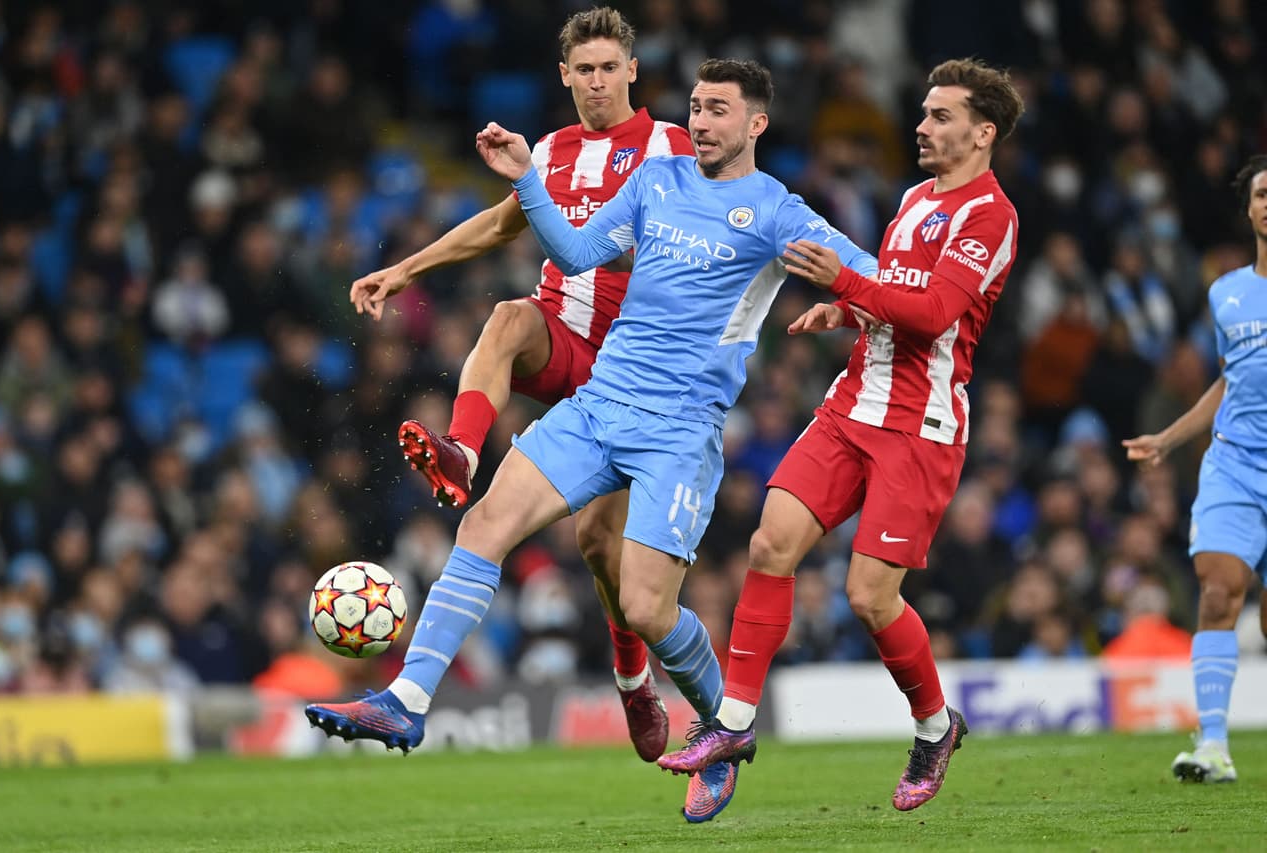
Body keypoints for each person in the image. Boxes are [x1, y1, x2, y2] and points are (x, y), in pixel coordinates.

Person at [306, 58, 877, 823]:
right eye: (698, 107)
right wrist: (525, 176)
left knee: (645, 605)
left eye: (718, 111)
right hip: (600, 403)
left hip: (680, 430)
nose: (702, 122)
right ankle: (406, 700)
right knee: (484, 523)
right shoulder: (656, 182)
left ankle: (721, 729)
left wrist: (851, 303)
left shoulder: (778, 211)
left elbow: (869, 271)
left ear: (756, 125)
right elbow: (575, 254)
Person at [656, 58, 1025, 813]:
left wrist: (843, 283)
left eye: (941, 116)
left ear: (983, 133)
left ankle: (933, 726)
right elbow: (897, 291)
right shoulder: (918, 197)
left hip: (919, 426)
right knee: (770, 543)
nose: (921, 125)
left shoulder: (989, 215)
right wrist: (848, 312)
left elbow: (932, 315)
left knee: (868, 595)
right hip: (853, 402)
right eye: (923, 112)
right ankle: (732, 723)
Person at [348, 7, 693, 764]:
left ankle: (633, 674)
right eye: (584, 70)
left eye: (610, 68)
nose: (598, 82)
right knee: (508, 316)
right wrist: (404, 269)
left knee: (601, 547)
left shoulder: (673, 146)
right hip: (561, 339)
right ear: (564, 76)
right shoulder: (554, 150)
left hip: (634, 372)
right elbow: (502, 225)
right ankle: (463, 455)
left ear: (632, 71)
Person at [1122, 154, 1267, 784]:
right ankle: (1212, 746)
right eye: (1262, 193)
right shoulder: (1227, 292)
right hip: (1235, 464)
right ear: (1250, 209)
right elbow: (1228, 381)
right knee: (1216, 593)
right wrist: (1170, 439)